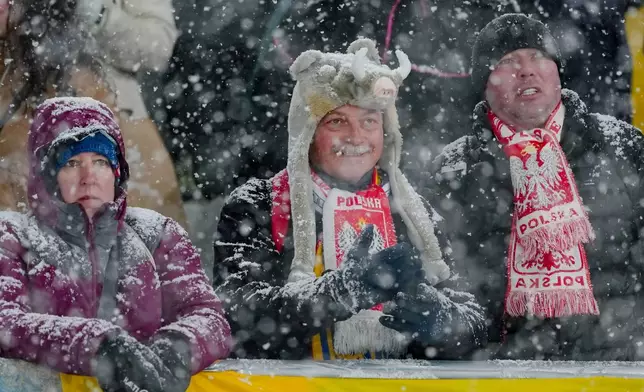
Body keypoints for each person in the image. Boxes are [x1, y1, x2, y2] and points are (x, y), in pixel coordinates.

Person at [213, 38, 486, 360]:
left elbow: (475, 322)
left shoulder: (413, 212)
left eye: (369, 121)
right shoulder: (260, 202)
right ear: (308, 132)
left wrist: (441, 321)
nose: (356, 137)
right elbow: (232, 313)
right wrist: (337, 293)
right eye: (337, 121)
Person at [433, 14, 644, 360]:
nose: (526, 70)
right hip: (504, 373)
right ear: (485, 85)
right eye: (507, 62)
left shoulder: (621, 145)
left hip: (618, 366)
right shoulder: (455, 167)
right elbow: (451, 290)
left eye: (538, 57)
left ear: (558, 71)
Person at [0, 97, 231, 392]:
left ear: (117, 171)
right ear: (46, 175)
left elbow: (208, 316)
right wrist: (96, 345)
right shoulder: (12, 236)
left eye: (100, 162)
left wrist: (177, 349)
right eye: (71, 163)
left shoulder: (157, 234)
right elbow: (5, 321)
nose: (89, 178)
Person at [0, 0, 186, 227]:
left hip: (112, 124)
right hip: (14, 125)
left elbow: (158, 47)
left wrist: (90, 10)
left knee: (133, 243)